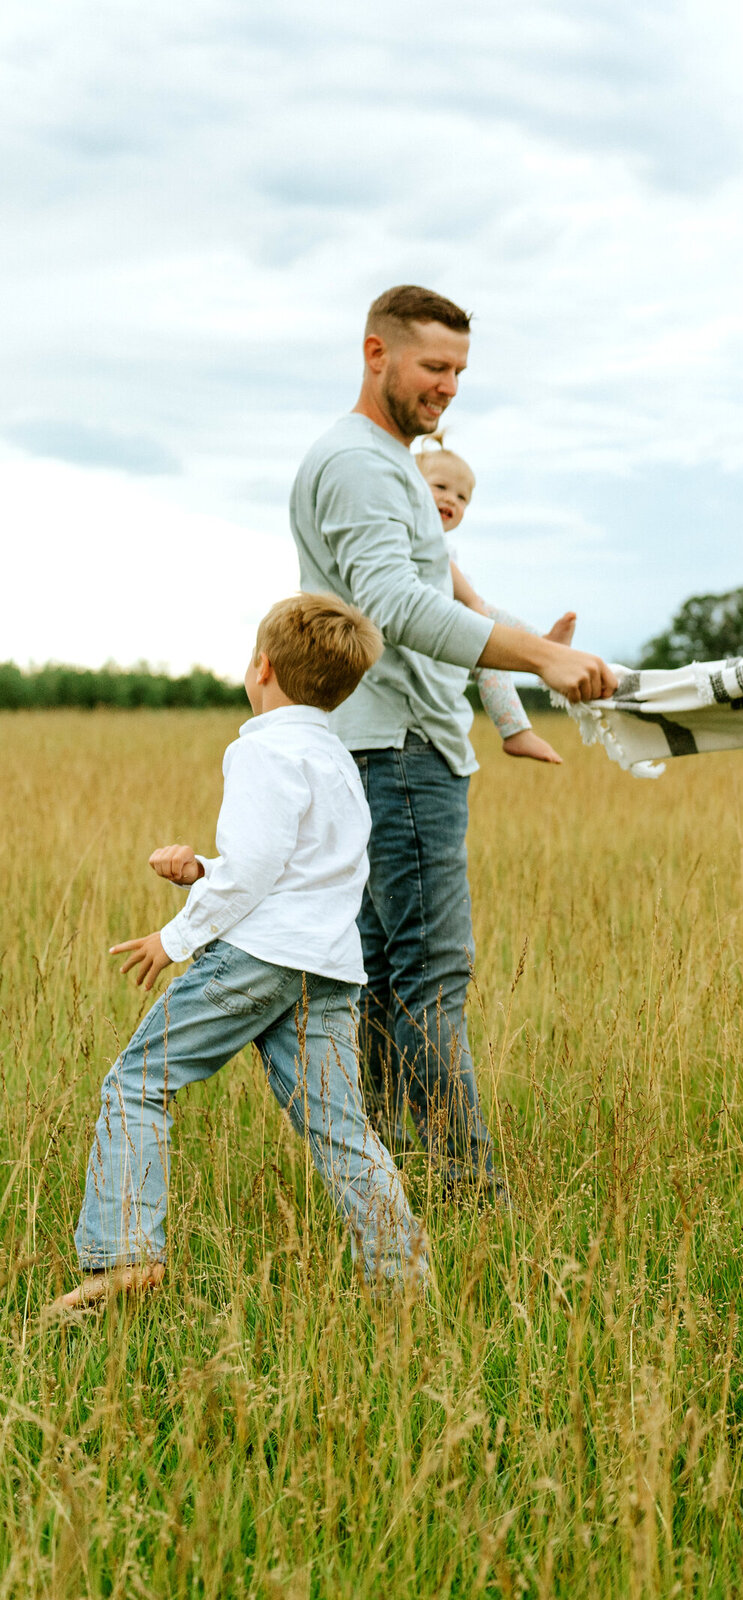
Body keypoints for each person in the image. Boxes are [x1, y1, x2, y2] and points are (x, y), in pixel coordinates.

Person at [289, 284, 617, 1201]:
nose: (448, 388)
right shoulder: (360, 464)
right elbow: (394, 606)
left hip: (379, 744)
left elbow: (443, 601)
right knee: (429, 974)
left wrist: (535, 651)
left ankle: (404, 1174)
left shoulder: (384, 461)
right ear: (375, 353)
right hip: (397, 748)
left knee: (387, 975)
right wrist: (541, 658)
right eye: (434, 367)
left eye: (460, 371)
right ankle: (472, 1192)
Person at [47, 595, 428, 1320]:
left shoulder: (259, 747)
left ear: (263, 667)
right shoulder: (337, 758)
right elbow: (299, 865)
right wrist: (202, 874)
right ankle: (402, 1287)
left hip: (259, 955)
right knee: (342, 1129)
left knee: (136, 1084)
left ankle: (125, 1255)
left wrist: (176, 937)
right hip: (328, 966)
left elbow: (256, 873)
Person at [413, 436, 570, 765]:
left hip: (449, 611)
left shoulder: (437, 538)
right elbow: (444, 569)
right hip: (440, 616)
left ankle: (545, 648)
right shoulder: (419, 530)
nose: (450, 500)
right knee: (491, 653)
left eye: (462, 497)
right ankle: (515, 731)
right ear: (411, 487)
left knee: (500, 624)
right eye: (439, 487)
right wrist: (474, 604)